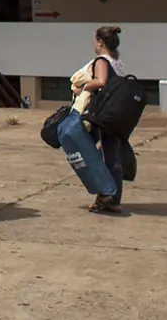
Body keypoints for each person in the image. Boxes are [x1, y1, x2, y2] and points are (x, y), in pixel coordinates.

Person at [72, 26, 128, 213]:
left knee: (87, 151)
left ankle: (106, 195)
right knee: (112, 155)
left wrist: (83, 89)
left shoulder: (102, 60)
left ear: (100, 42)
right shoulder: (117, 62)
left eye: (95, 41)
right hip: (118, 114)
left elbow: (101, 82)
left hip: (104, 114)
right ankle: (112, 198)